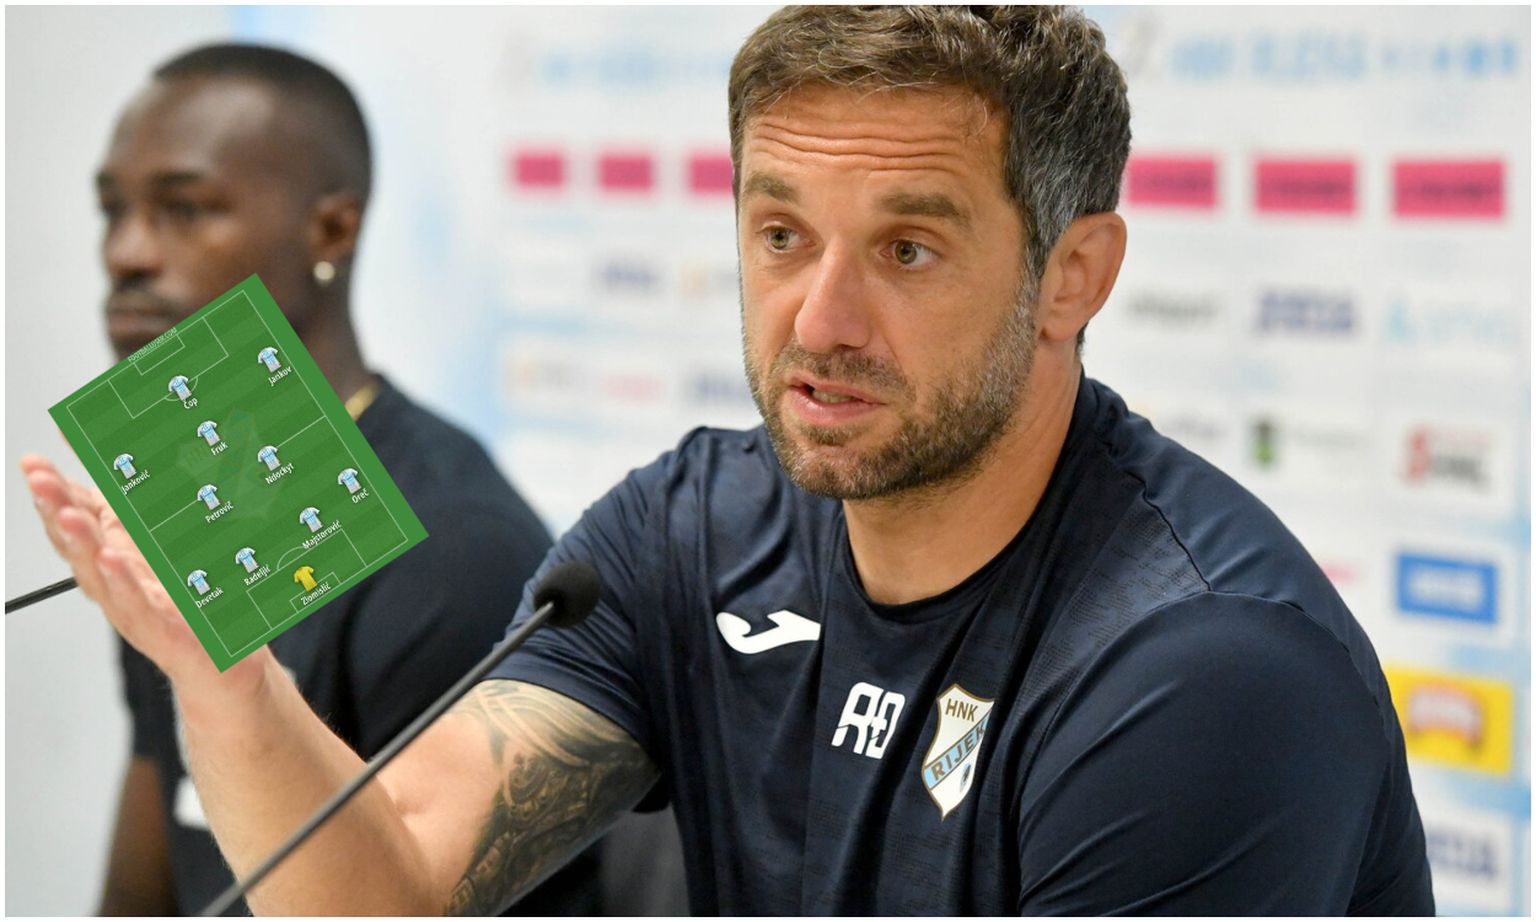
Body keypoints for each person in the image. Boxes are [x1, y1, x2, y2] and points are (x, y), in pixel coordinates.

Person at [25, 7, 1434, 915]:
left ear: (1072, 276)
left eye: (907, 249)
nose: (818, 320)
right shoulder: (690, 529)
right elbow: (388, 880)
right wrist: (230, 685)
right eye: (780, 235)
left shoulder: (1202, 668)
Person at [37, 43, 605, 916]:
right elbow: (150, 876)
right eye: (114, 210)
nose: (127, 252)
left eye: (185, 210)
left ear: (332, 232)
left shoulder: (456, 548)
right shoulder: (193, 493)